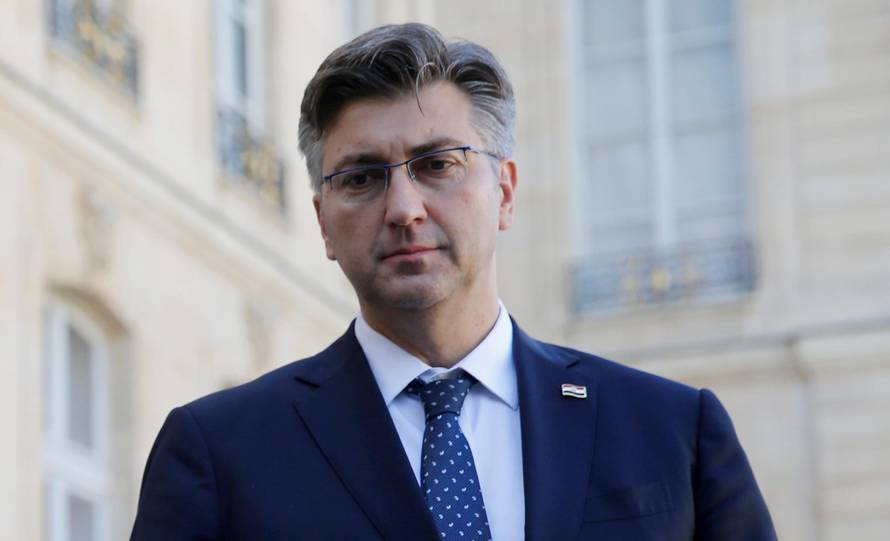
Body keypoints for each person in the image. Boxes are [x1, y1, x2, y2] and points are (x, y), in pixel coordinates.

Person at [131, 23, 776, 540]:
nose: (404, 207)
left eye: (437, 164)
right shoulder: (221, 454)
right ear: (323, 223)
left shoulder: (671, 433)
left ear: (504, 191)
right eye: (360, 177)